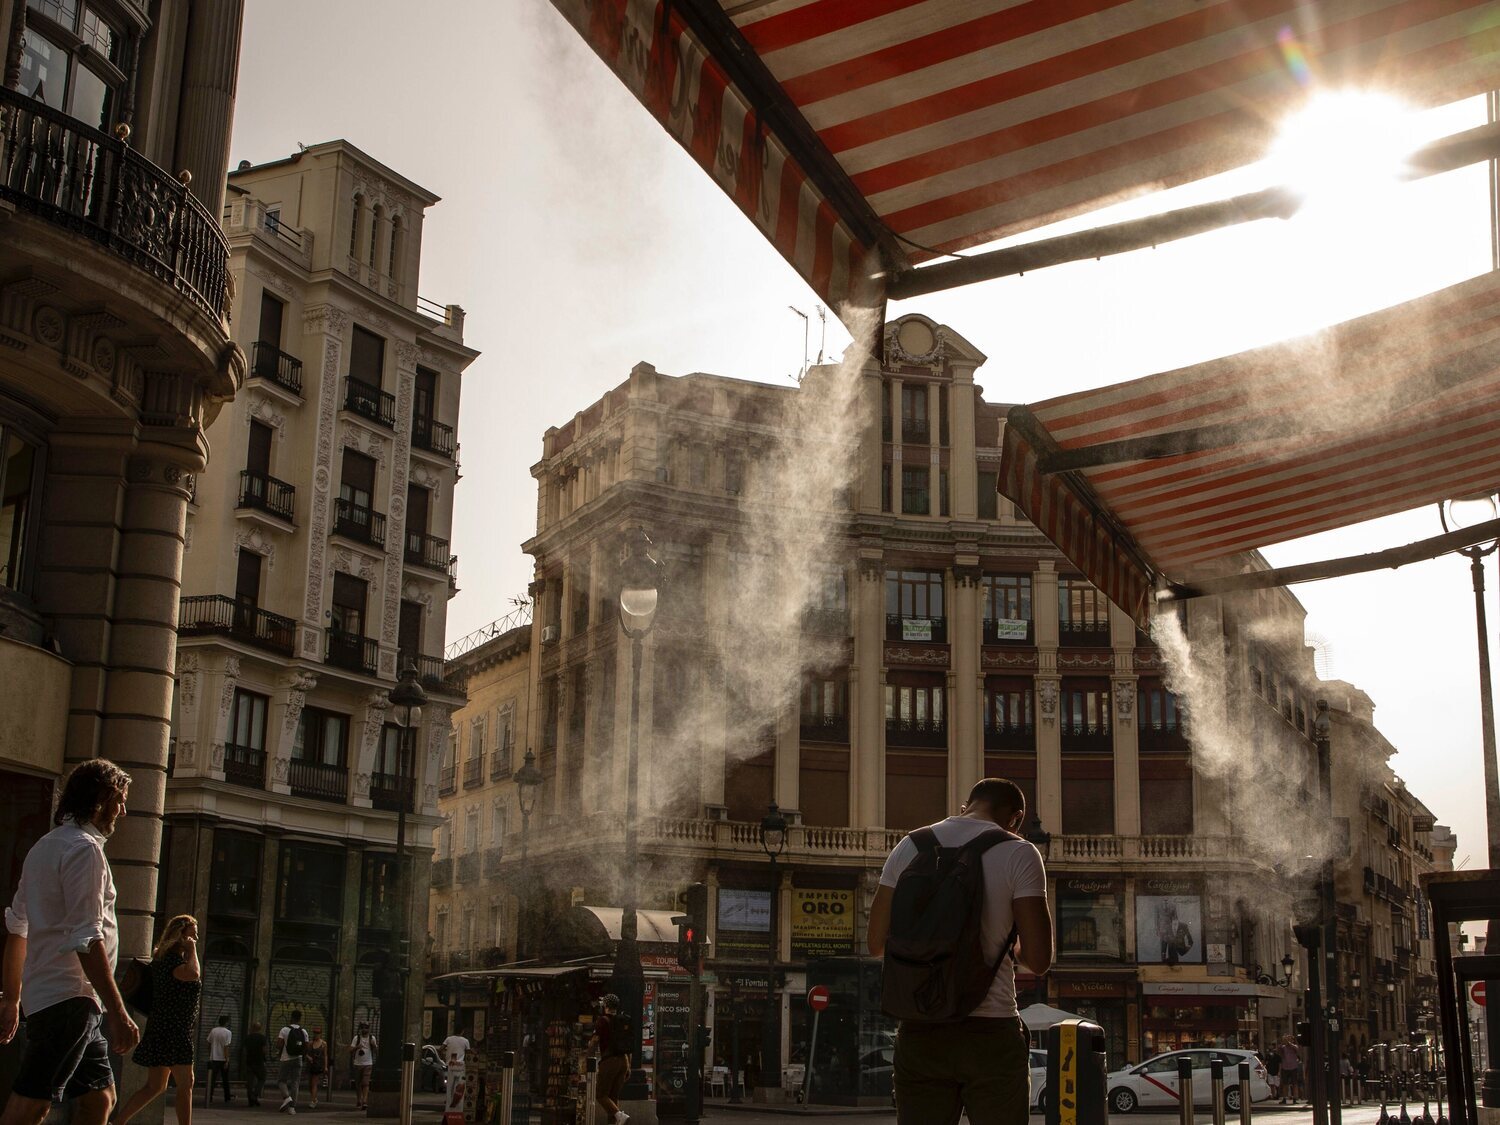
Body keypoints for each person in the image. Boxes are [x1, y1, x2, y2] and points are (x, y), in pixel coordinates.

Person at [868, 778, 1052, 1125]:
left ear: (965, 806)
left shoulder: (909, 846)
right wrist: (1009, 944)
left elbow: (876, 943)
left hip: (921, 1029)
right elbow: (1040, 960)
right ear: (1016, 818)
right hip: (991, 1032)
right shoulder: (1019, 852)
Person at [0, 759, 139, 1125]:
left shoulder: (44, 847)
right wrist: (120, 1012)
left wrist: (13, 999)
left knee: (100, 1098)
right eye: (120, 799)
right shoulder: (85, 850)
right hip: (70, 1001)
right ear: (102, 799)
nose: (123, 810)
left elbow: (18, 929)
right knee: (33, 1102)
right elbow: (87, 939)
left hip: (61, 1000)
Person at [114, 915, 203, 1125]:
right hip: (173, 1031)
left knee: (155, 1086)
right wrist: (192, 951)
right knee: (186, 1084)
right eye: (193, 934)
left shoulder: (164, 960)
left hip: (163, 1028)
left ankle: (118, 1122)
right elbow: (193, 974)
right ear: (180, 935)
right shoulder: (172, 961)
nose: (196, 938)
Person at [591, 994, 630, 1125]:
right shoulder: (623, 1021)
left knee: (601, 1095)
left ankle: (620, 1115)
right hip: (624, 1061)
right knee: (612, 1097)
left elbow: (594, 1041)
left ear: (605, 1006)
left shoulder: (603, 1021)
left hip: (609, 1061)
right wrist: (628, 1065)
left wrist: (587, 1057)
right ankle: (614, 1122)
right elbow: (627, 1044)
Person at [277, 1010, 309, 1113]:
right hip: (298, 1059)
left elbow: (279, 1045)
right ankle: (292, 1108)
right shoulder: (304, 1031)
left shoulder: (284, 1030)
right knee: (295, 1082)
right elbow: (306, 1046)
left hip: (286, 1058)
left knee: (281, 1080)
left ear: (291, 1017)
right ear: (300, 1019)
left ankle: (287, 1098)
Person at [205, 1015, 233, 1105]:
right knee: (225, 1079)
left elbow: (208, 1043)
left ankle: (209, 1096)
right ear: (226, 1022)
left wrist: (210, 1053)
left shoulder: (213, 1031)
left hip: (213, 1058)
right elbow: (226, 1047)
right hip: (222, 1059)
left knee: (212, 1079)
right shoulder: (228, 1032)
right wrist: (227, 1059)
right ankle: (227, 1097)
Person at [350, 1022, 377, 1109]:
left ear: (369, 1029)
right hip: (358, 1064)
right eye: (363, 1028)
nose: (364, 1029)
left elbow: (376, 1051)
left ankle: (365, 1101)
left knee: (365, 1083)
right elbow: (350, 1049)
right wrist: (357, 1047)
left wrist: (374, 1045)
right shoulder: (356, 1038)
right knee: (358, 1083)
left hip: (368, 1063)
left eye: (366, 1028)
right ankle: (359, 1099)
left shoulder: (372, 1038)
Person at [243, 1022, 269, 1107]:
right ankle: (255, 1095)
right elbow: (264, 1050)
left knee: (250, 1082)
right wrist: (264, 1058)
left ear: (252, 1028)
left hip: (249, 1062)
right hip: (259, 1062)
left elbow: (244, 1050)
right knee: (262, 1078)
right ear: (260, 1029)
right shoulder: (262, 1038)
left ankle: (251, 1100)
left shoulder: (247, 1038)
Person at [305, 1027, 329, 1109]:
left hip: (318, 1066)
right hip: (311, 1065)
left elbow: (325, 1055)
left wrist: (325, 1066)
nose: (316, 1035)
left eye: (318, 1033)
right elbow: (306, 1053)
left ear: (321, 1034)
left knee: (314, 1083)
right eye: (315, 1033)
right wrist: (308, 1057)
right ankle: (314, 1098)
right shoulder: (310, 1044)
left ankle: (313, 1101)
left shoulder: (323, 1044)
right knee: (310, 1084)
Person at [1278, 1037, 1303, 1105]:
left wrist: (1290, 1043)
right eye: (1287, 1039)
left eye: (1290, 1039)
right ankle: (1285, 1098)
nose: (1288, 1041)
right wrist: (1283, 1042)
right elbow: (1279, 1050)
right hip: (1285, 1067)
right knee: (1285, 1084)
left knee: (1295, 1083)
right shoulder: (1283, 1047)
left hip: (1293, 1067)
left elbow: (1297, 1049)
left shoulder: (1294, 1046)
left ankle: (1295, 1098)